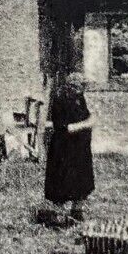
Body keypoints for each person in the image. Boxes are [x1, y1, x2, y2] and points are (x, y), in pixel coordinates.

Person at [44, 69, 95, 224]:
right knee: (63, 177)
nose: (83, 89)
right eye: (81, 85)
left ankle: (76, 211)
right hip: (65, 146)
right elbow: (64, 127)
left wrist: (89, 120)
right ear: (73, 85)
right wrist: (86, 124)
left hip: (80, 146)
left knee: (81, 178)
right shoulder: (61, 98)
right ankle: (58, 216)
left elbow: (85, 115)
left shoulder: (79, 97)